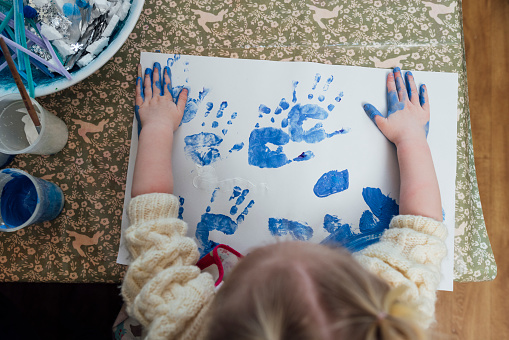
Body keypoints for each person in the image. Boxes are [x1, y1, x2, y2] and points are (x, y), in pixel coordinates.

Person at [120, 63, 447, 340]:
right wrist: (411, 137)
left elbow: (153, 228)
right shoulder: (393, 303)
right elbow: (424, 225)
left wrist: (158, 128)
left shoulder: (176, 316)